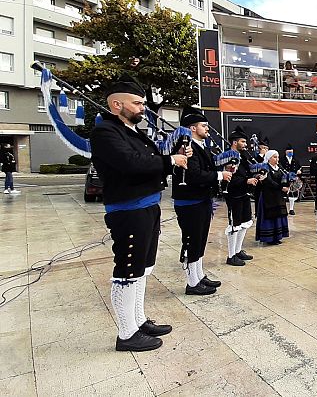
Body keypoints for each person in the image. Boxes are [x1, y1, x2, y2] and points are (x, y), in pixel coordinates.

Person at [90, 79, 187, 352]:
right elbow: (132, 164)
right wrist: (170, 161)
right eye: (137, 102)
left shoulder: (131, 130)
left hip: (148, 207)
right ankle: (126, 333)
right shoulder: (105, 132)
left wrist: (173, 156)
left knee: (143, 269)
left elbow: (150, 159)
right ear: (116, 104)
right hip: (129, 210)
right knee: (128, 271)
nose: (143, 107)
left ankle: (139, 319)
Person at [173, 107, 231, 295]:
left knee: (200, 240)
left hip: (202, 200)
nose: (207, 129)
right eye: (203, 126)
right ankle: (192, 283)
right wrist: (220, 175)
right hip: (190, 202)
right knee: (191, 241)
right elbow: (195, 176)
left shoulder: (199, 146)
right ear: (192, 128)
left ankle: (199, 276)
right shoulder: (185, 147)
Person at [225, 127, 256, 266]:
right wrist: (246, 181)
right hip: (233, 195)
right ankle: (231, 255)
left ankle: (238, 251)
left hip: (244, 193)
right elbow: (229, 178)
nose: (245, 144)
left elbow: (247, 172)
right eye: (243, 141)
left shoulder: (243, 156)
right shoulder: (227, 157)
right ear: (234, 142)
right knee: (235, 225)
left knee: (244, 223)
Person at [255, 150, 290, 245]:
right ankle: (269, 238)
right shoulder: (264, 168)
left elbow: (284, 177)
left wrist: (287, 185)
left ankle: (277, 237)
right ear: (269, 158)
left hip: (278, 196)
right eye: (275, 157)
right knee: (270, 216)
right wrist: (281, 187)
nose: (277, 159)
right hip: (268, 197)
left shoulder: (279, 168)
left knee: (278, 215)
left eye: (278, 157)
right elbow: (268, 181)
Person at [280, 144, 301, 215]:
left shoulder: (296, 160)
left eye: (291, 152)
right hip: (284, 179)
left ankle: (291, 209)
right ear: (286, 152)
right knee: (283, 194)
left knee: (292, 193)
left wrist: (299, 171)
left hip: (293, 178)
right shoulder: (281, 160)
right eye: (289, 152)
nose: (290, 153)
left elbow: (299, 168)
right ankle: (283, 209)